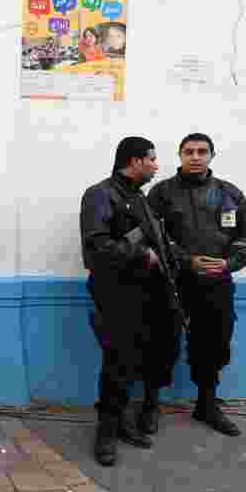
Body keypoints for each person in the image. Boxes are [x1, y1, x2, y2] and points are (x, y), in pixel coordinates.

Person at [80, 137, 183, 467]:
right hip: (117, 297)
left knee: (139, 363)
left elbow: (160, 244)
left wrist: (183, 259)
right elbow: (97, 249)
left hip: (149, 297)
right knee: (117, 365)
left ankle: (124, 424)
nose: (156, 165)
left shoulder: (140, 199)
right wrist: (142, 256)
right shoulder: (100, 194)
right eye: (152, 159)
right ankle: (106, 432)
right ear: (134, 161)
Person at [148, 133, 246, 437]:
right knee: (160, 340)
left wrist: (229, 263)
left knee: (213, 341)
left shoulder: (229, 194)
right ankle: (150, 405)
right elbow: (152, 236)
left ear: (212, 155)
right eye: (189, 151)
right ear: (180, 155)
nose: (195, 157)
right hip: (171, 281)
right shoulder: (161, 193)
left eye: (202, 151)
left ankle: (207, 405)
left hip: (216, 282)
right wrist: (186, 260)